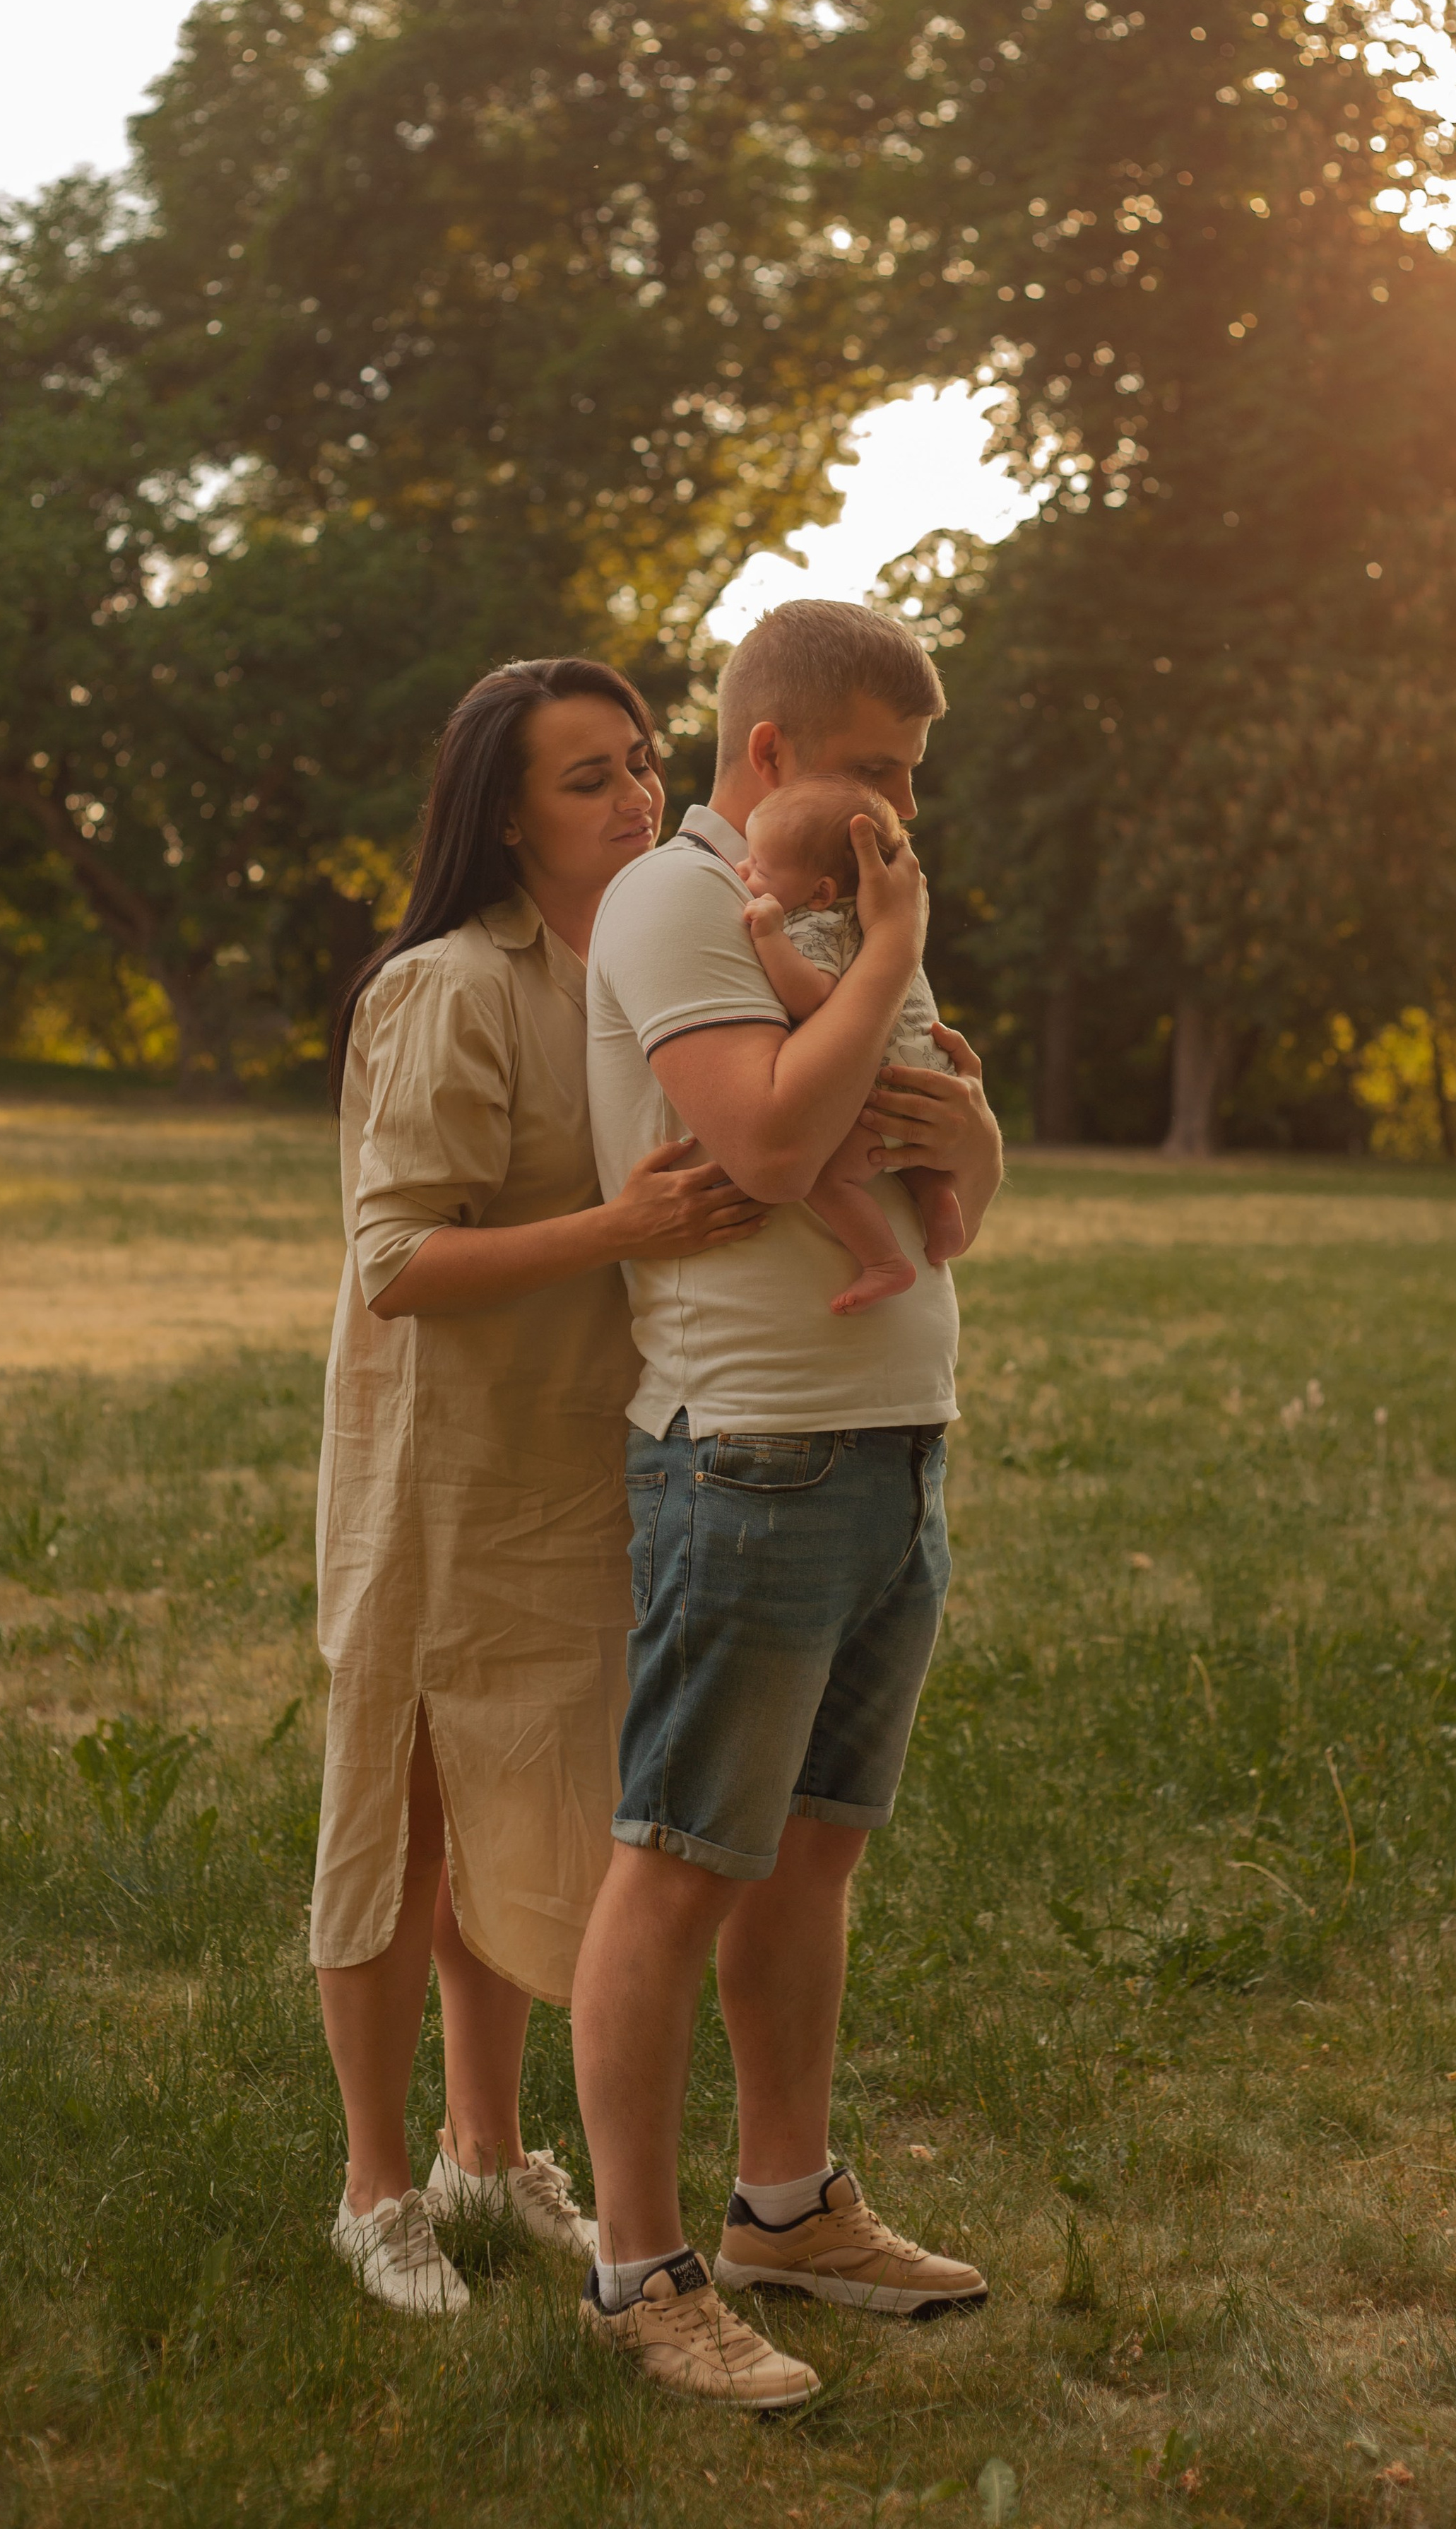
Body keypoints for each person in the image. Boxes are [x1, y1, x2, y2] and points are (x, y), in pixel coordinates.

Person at [575, 598, 1005, 2409]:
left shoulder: (842, 909)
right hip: (746, 1444)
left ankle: (783, 2204)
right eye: (879, 773)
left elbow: (947, 1155)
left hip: (892, 1428)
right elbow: (764, 1139)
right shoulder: (683, 899)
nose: (904, 812)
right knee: (678, 1861)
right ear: (770, 754)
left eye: (915, 783)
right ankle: (636, 2261)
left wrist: (970, 1134)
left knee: (812, 1849)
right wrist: (892, 945)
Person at [314, 658, 764, 2317]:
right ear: (504, 812)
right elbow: (395, 1260)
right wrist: (622, 1230)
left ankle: (484, 2152)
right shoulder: (448, 987)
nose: (638, 793)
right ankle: (374, 2190)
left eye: (641, 761)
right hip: (438, 1470)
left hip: (582, 1464)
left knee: (531, 1807)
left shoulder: (639, 964)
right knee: (402, 1820)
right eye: (589, 776)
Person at [738, 774, 964, 1313]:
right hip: (928, 1065)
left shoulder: (813, 924)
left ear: (820, 890)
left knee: (825, 1175)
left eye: (759, 868)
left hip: (881, 1083)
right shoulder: (876, 919)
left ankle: (886, 1262)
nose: (743, 871)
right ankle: (937, 1196)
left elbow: (815, 998)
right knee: (915, 1154)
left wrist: (769, 935)